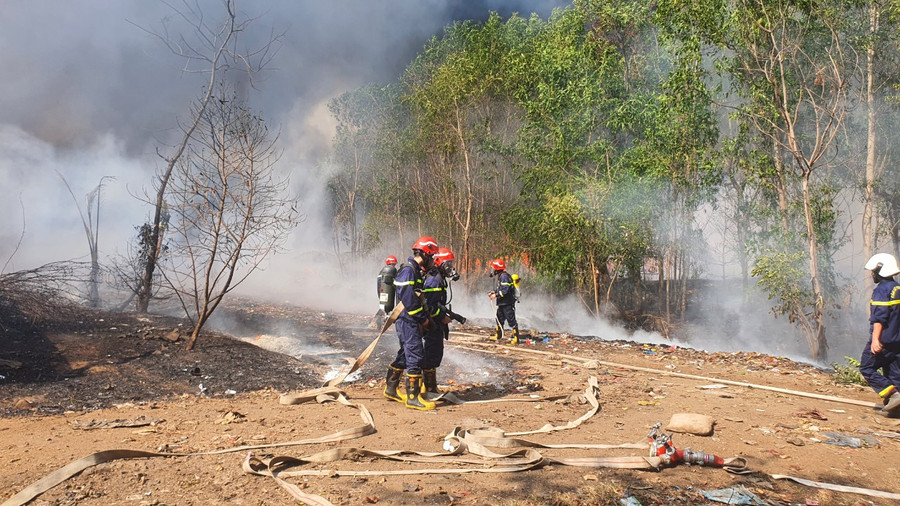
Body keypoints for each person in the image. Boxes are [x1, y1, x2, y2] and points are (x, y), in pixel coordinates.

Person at [382, 236, 439, 410]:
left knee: (406, 354)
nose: (434, 261)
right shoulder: (408, 271)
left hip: (410, 320)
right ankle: (413, 398)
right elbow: (409, 300)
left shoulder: (415, 270)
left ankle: (391, 389)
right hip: (408, 321)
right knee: (415, 355)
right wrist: (423, 319)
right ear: (424, 254)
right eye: (432, 256)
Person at [421, 247, 466, 396]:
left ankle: (430, 387)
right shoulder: (434, 280)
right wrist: (442, 317)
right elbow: (430, 306)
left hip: (435, 323)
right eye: (448, 263)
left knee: (434, 353)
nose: (450, 267)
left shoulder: (438, 278)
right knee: (431, 353)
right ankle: (428, 389)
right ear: (439, 262)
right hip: (432, 324)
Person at [861, 253, 900, 416]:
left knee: (867, 367)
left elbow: (879, 318)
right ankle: (896, 410)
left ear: (880, 270)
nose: (872, 274)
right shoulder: (897, 288)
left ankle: (893, 395)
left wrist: (875, 340)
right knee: (893, 373)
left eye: (874, 271)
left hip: (884, 340)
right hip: (897, 341)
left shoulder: (882, 290)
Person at [488, 258, 520, 346]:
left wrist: (496, 295)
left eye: (494, 268)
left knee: (511, 320)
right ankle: (498, 335)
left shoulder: (504, 277)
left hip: (507, 303)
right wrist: (494, 292)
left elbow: (505, 291)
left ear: (497, 268)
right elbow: (501, 288)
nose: (493, 270)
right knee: (499, 318)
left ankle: (516, 338)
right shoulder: (501, 276)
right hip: (502, 303)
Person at [374, 255, 398, 328]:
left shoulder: (390, 271)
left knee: (386, 305)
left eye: (394, 264)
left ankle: (380, 319)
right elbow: (379, 284)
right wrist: (380, 294)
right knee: (385, 305)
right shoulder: (385, 272)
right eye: (392, 264)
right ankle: (380, 321)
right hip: (384, 292)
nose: (393, 266)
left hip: (388, 292)